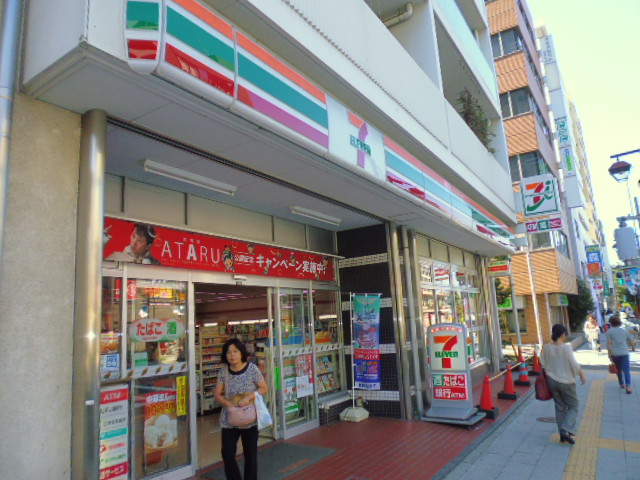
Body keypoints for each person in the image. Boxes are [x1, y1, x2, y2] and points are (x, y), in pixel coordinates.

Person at [214, 338, 267, 480]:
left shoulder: (252, 369)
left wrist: (249, 397)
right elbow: (217, 394)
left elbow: (263, 388)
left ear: (241, 352)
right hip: (229, 420)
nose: (232, 355)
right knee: (227, 453)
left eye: (235, 351)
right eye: (228, 352)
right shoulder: (223, 372)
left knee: (251, 455)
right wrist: (228, 404)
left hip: (250, 419)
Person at [540, 324, 586, 445]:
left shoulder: (547, 347)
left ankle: (562, 434)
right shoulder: (566, 347)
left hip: (552, 381)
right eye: (565, 334)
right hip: (566, 382)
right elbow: (574, 365)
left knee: (560, 407)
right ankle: (566, 429)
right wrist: (581, 375)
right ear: (562, 334)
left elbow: (542, 362)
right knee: (573, 406)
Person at [605, 314, 634, 394]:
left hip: (615, 353)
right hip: (624, 352)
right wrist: (629, 345)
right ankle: (628, 387)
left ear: (611, 323)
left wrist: (609, 354)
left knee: (618, 369)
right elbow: (631, 342)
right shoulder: (624, 331)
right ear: (620, 323)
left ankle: (621, 383)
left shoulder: (608, 332)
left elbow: (609, 344)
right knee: (626, 370)